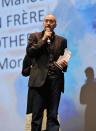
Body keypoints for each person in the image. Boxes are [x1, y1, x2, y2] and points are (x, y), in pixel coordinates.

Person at [22, 14, 68, 131]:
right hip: (38, 82)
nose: (48, 23)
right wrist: (43, 39)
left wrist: (64, 65)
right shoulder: (35, 37)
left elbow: (63, 61)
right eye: (46, 21)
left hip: (55, 82)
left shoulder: (62, 41)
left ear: (55, 24)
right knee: (36, 116)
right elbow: (31, 52)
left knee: (53, 116)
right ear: (43, 23)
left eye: (51, 21)